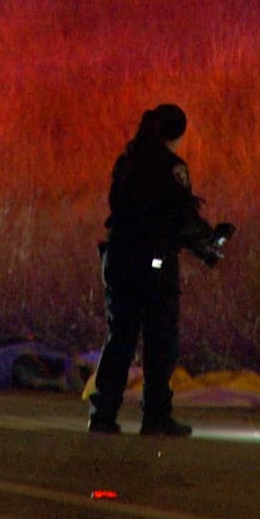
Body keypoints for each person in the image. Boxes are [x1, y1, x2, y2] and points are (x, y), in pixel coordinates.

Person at [88, 104, 233, 436]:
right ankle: (155, 415)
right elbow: (182, 217)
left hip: (119, 259)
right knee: (159, 340)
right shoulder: (172, 168)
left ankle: (102, 414)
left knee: (119, 338)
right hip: (154, 263)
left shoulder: (127, 161)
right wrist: (210, 243)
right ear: (179, 133)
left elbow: (118, 207)